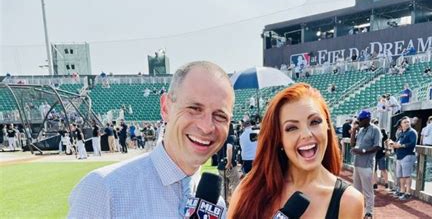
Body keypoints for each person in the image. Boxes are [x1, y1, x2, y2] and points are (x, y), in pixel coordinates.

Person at [68, 61, 234, 218]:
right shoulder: (103, 189)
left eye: (220, 116)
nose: (206, 127)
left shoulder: (214, 204)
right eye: (194, 108)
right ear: (165, 107)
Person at [228, 83, 363, 219]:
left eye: (315, 122)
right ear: (279, 138)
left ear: (327, 125)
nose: (306, 134)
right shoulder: (248, 190)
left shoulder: (349, 201)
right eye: (291, 128)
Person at [350, 110, 382, 219]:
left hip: (367, 164)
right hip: (357, 163)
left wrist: (363, 151)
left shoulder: (375, 130)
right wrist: (354, 131)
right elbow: (352, 144)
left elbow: (377, 147)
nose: (359, 122)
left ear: (367, 119)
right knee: (356, 190)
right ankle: (357, 210)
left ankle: (369, 213)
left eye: (360, 120)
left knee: (368, 191)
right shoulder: (361, 130)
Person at [389, 117, 417, 200]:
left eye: (408, 122)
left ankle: (408, 193)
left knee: (407, 175)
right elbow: (397, 142)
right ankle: (401, 191)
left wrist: (400, 146)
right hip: (399, 156)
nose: (407, 123)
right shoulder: (401, 133)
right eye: (405, 122)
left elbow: (412, 144)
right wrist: (392, 144)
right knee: (400, 175)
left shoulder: (412, 132)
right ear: (401, 124)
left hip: (407, 155)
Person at [217, 124, 240, 204]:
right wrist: (229, 162)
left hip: (220, 165)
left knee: (223, 187)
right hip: (229, 165)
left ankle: (223, 205)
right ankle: (235, 204)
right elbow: (229, 148)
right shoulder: (231, 137)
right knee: (235, 184)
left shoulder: (220, 137)